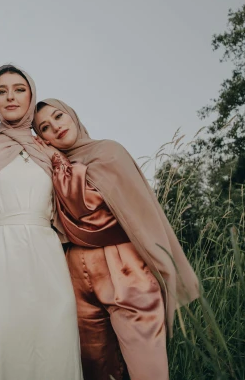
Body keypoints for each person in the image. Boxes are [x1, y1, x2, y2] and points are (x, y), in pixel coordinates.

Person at [33, 99, 200, 380]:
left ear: (72, 115)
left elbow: (88, 207)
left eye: (59, 116)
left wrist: (57, 162)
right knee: (96, 367)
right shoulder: (50, 169)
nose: (56, 127)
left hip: (124, 266)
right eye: (45, 128)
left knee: (147, 364)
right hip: (75, 272)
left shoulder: (107, 151)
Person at [0, 65, 83, 379]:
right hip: (0, 259)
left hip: (48, 258)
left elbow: (72, 210)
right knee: (1, 339)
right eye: (2, 91)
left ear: (31, 95)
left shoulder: (51, 152)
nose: (10, 97)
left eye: (19, 89)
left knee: (54, 339)